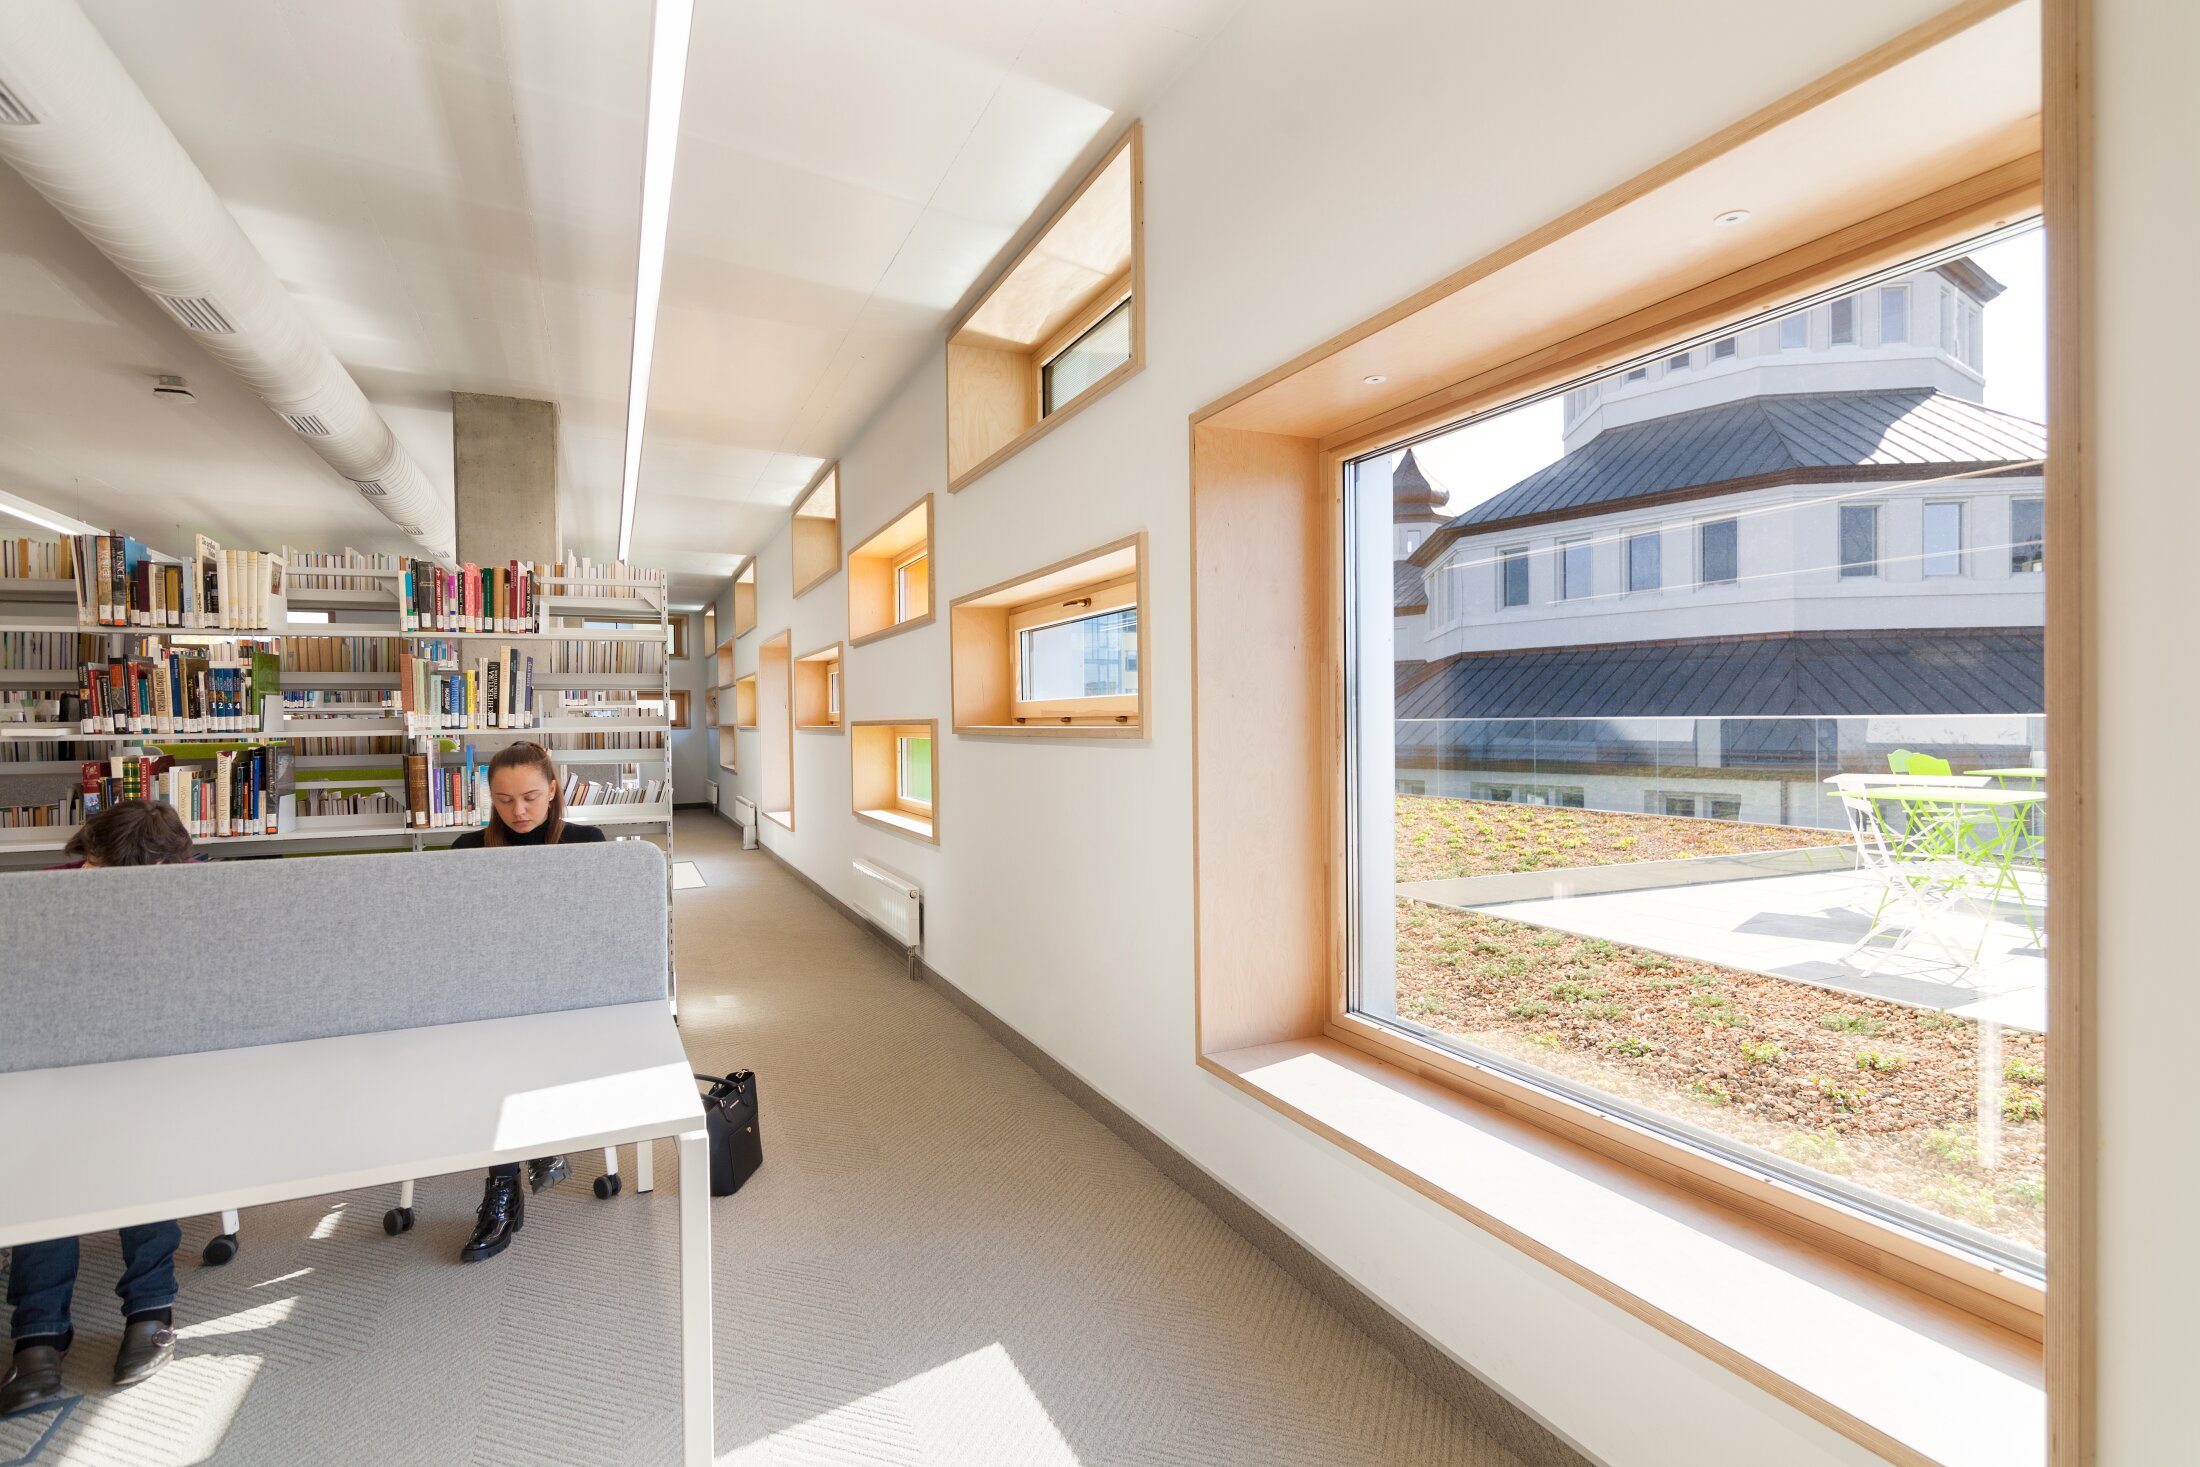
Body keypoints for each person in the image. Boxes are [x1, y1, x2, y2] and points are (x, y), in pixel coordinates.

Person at [3, 801, 195, 1417]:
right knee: (45, 1166)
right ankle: (38, 1337)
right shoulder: (40, 900)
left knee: (144, 1152)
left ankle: (149, 1312)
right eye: (98, 870)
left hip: (154, 1072)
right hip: (58, 1072)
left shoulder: (197, 898)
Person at [450, 742, 605, 1262]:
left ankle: (505, 1186)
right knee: (498, 1045)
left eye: (531, 797)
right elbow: (455, 939)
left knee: (512, 1051)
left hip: (568, 996)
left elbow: (601, 933)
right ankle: (523, 1161)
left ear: (554, 790)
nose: (518, 811)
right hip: (494, 995)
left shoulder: (587, 844)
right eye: (504, 800)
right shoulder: (468, 850)